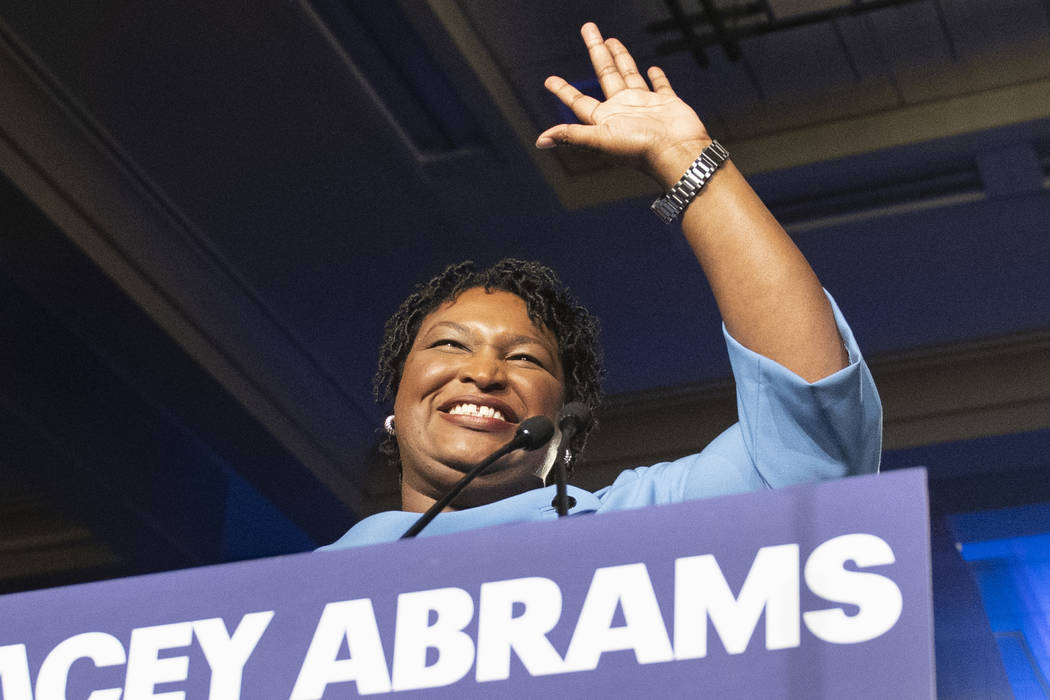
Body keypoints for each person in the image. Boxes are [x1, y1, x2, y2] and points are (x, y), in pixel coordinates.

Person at [321, 23, 881, 550]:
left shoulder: (630, 529)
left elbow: (813, 448)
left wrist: (684, 159)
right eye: (449, 344)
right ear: (396, 395)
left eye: (526, 359)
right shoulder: (286, 602)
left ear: (563, 426)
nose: (485, 374)